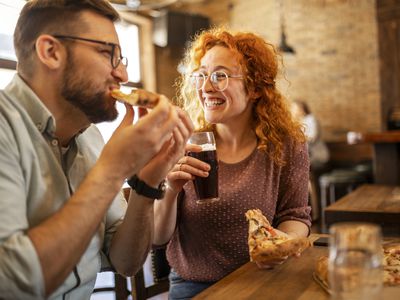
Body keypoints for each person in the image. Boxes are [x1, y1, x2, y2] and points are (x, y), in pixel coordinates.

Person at [0, 1, 193, 299]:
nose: (124, 74)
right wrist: (113, 169)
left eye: (122, 57)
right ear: (51, 52)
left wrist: (147, 183)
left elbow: (125, 262)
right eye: (108, 54)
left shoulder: (90, 137)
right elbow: (13, 283)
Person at [153, 27, 312, 299]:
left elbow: (295, 216)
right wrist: (170, 190)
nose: (205, 87)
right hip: (195, 286)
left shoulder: (286, 145)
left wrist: (280, 245)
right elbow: (158, 238)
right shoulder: (183, 143)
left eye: (220, 76)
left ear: (256, 88)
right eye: (202, 75)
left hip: (263, 280)